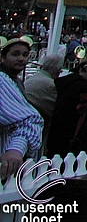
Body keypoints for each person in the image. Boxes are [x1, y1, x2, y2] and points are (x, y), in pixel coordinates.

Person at [0, 36, 43, 180]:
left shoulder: (4, 80)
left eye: (25, 55)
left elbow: (30, 119)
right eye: (15, 54)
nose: (21, 59)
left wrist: (15, 149)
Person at [24, 50, 65, 153]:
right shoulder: (50, 85)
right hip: (33, 126)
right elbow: (56, 110)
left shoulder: (34, 78)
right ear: (57, 70)